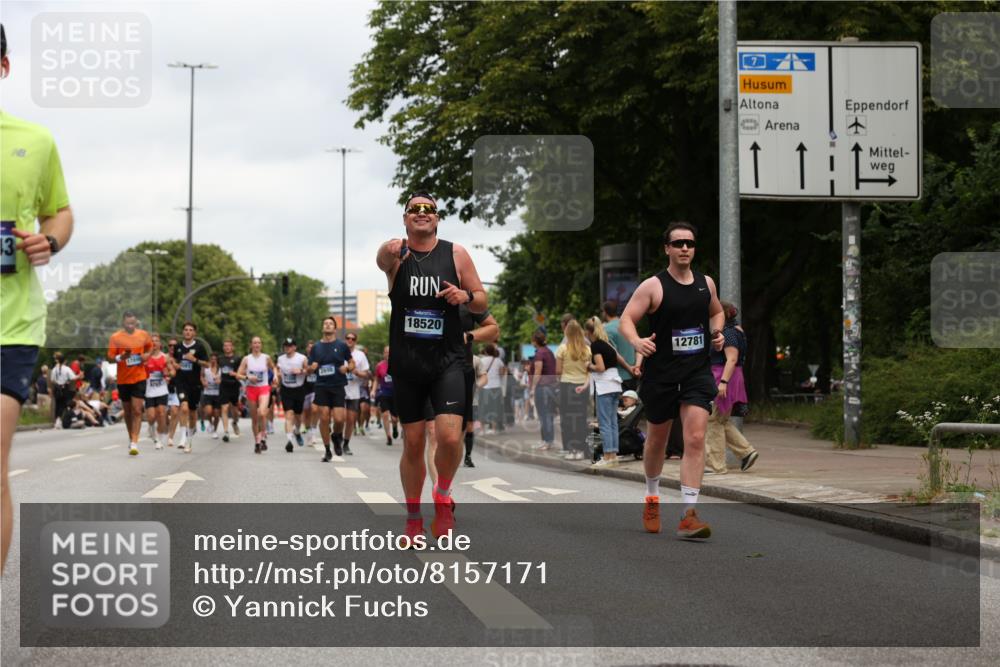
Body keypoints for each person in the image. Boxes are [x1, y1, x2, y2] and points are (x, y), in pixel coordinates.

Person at [376, 192, 487, 540]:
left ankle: (442, 494)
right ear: (405, 218)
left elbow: (482, 299)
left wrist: (465, 296)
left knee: (449, 437)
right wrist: (388, 249)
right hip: (408, 364)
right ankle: (413, 519)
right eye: (415, 209)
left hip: (448, 361)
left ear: (437, 218)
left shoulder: (456, 254)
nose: (422, 213)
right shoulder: (397, 256)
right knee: (412, 443)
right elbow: (381, 260)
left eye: (429, 209)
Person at [619, 221, 724, 539]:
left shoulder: (706, 284)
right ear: (667, 248)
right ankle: (652, 498)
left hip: (696, 373)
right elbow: (627, 319)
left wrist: (717, 332)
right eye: (678, 243)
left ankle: (689, 514)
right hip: (661, 375)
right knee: (657, 441)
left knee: (695, 438)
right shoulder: (653, 286)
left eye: (689, 243)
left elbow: (716, 312)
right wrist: (637, 341)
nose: (684, 248)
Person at [705, 301, 758, 475]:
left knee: (713, 421)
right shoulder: (736, 330)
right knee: (721, 419)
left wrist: (723, 382)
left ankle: (717, 466)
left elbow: (732, 359)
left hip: (724, 377)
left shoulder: (728, 332)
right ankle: (747, 452)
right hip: (730, 377)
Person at [107, 311, 154, 455]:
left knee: (137, 410)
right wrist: (122, 357)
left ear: (136, 322)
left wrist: (146, 355)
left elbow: (150, 347)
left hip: (139, 377)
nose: (130, 326)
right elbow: (110, 358)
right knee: (127, 412)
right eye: (128, 323)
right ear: (123, 323)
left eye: (133, 323)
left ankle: (135, 442)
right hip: (123, 379)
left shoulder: (143, 335)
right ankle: (131, 436)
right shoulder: (116, 337)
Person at [307, 316, 353, 461]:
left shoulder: (342, 345)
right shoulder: (316, 347)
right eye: (325, 323)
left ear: (335, 328)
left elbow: (352, 362)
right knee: (324, 417)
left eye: (330, 324)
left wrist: (347, 368)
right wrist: (311, 367)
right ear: (322, 328)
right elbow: (308, 368)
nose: (327, 325)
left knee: (339, 419)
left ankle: (336, 436)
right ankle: (327, 450)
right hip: (322, 386)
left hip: (338, 385)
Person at [459, 304, 498, 468]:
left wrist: (475, 385)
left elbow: (484, 378)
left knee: (469, 427)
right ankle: (454, 454)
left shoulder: (475, 360)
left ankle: (468, 456)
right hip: (454, 396)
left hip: (471, 397)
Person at [585, 316, 623, 467]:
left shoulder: (595, 346)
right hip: (615, 385)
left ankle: (607, 457)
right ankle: (613, 455)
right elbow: (617, 361)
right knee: (613, 422)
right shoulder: (608, 344)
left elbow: (600, 367)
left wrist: (589, 365)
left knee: (604, 423)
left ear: (589, 332)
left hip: (605, 386)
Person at [556, 320, 591, 460]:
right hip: (583, 386)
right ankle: (582, 450)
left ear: (567, 333)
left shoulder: (562, 349)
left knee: (567, 419)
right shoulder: (587, 350)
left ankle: (572, 450)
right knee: (581, 418)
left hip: (567, 385)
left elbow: (558, 370)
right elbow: (589, 370)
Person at [235, 336, 277, 454]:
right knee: (254, 419)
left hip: (264, 388)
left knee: (261, 413)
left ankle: (263, 435)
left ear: (261, 345)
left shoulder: (266, 358)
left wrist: (275, 376)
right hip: (251, 389)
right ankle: (258, 442)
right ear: (251, 345)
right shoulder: (246, 359)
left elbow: (274, 367)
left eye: (258, 343)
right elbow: (238, 375)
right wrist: (248, 377)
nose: (257, 345)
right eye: (254, 343)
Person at [171, 322, 209, 451]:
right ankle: (183, 437)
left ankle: (190, 439)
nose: (188, 332)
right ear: (183, 332)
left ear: (194, 333)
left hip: (195, 384)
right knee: (184, 407)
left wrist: (195, 360)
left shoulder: (199, 347)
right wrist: (175, 365)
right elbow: (173, 360)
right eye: (186, 329)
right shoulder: (178, 346)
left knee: (192, 413)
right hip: (181, 382)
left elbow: (207, 364)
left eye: (190, 330)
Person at [276, 338, 309, 452]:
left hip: (299, 389)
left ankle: (297, 431)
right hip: (286, 390)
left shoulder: (302, 358)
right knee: (289, 414)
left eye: (290, 346)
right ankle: (289, 441)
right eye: (285, 346)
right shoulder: (280, 358)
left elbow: (309, 371)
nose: (287, 348)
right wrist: (277, 376)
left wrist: (301, 371)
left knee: (298, 416)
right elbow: (278, 370)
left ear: (295, 347)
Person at [529, 329, 557, 451]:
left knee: (544, 415)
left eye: (532, 340)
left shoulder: (539, 353)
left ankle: (547, 441)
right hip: (551, 386)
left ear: (535, 341)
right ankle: (546, 440)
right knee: (548, 415)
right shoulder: (549, 351)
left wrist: (533, 387)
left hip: (542, 387)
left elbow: (538, 371)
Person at [342, 333, 371, 456]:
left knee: (350, 420)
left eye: (352, 339)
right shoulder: (339, 352)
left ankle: (346, 444)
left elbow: (367, 374)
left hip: (354, 391)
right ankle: (337, 437)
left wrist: (357, 372)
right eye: (348, 338)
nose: (350, 340)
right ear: (345, 340)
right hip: (339, 390)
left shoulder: (360, 355)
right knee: (340, 418)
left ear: (355, 341)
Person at [603, 300, 640, 392]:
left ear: (605, 312)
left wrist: (629, 368)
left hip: (617, 377)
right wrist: (637, 367)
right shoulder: (629, 325)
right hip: (633, 376)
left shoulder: (605, 329)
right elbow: (639, 348)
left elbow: (613, 353)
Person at [143, 333, 172, 449]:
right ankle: (151, 428)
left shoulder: (165, 357)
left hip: (162, 390)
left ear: (160, 344)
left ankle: (159, 439)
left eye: (156, 341)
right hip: (149, 391)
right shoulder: (146, 357)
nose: (154, 343)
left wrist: (168, 373)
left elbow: (172, 371)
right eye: (152, 341)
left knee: (161, 413)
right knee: (151, 416)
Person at [218, 339, 242, 442]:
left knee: (235, 410)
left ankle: (235, 422)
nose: (227, 347)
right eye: (225, 346)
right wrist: (217, 377)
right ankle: (226, 432)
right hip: (223, 385)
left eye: (229, 345)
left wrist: (236, 374)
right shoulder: (220, 359)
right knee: (224, 408)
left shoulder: (237, 358)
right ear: (223, 348)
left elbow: (242, 371)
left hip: (234, 385)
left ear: (232, 347)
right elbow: (216, 369)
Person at [374, 346, 398, 447]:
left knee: (394, 419)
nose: (388, 354)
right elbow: (376, 379)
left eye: (389, 352)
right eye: (386, 352)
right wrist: (373, 390)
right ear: (383, 354)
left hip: (396, 394)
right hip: (384, 392)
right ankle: (388, 436)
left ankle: (395, 427)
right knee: (385, 414)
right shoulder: (380, 366)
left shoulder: (398, 364)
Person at [479, 343, 504, 434]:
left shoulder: (481, 360)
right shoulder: (498, 361)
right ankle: (493, 429)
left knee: (483, 408)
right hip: (496, 387)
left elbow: (479, 374)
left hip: (484, 387)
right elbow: (501, 374)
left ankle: (482, 430)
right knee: (495, 408)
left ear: (485, 351)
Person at [201, 354, 223, 440]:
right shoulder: (206, 368)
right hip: (208, 393)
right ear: (209, 360)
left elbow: (223, 379)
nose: (213, 360)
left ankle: (214, 431)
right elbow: (201, 376)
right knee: (209, 412)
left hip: (217, 394)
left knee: (217, 415)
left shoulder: (220, 369)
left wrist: (220, 381)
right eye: (212, 359)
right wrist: (203, 382)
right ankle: (210, 423)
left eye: (215, 359)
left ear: (217, 360)